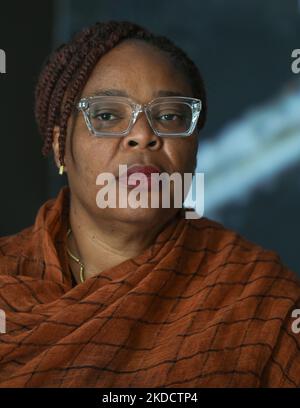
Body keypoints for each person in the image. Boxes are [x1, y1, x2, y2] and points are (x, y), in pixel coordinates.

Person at [0, 20, 299, 388]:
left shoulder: (259, 296)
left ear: (193, 148)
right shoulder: (7, 283)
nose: (143, 135)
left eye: (169, 116)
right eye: (107, 115)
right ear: (61, 144)